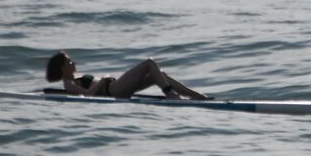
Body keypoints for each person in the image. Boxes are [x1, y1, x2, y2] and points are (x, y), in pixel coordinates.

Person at [45, 51, 212, 100]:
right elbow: (87, 95)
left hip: (115, 87)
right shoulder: (67, 84)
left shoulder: (73, 80)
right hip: (112, 90)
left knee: (159, 75)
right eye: (69, 62)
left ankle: (195, 96)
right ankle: (171, 94)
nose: (73, 63)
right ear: (62, 68)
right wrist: (102, 81)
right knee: (148, 63)